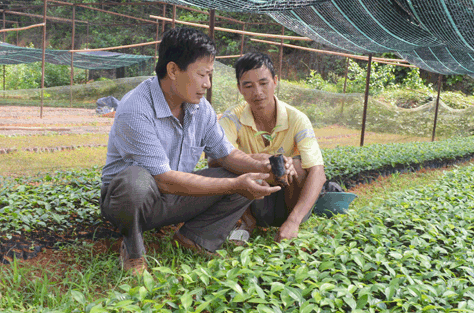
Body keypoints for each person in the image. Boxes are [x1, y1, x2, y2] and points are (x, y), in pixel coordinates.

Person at [100, 28, 280, 275]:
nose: (207, 84)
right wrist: (236, 184)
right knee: (136, 182)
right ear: (173, 70)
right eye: (202, 74)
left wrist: (261, 166)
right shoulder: (136, 108)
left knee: (245, 174)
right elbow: (163, 180)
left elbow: (226, 154)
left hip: (175, 197)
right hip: (134, 202)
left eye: (210, 75)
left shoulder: (200, 108)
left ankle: (196, 238)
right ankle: (133, 250)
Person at [212, 52, 326, 242]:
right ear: (240, 89)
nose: (257, 92)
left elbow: (318, 172)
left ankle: (288, 223)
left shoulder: (297, 119)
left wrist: (294, 221)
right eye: (248, 86)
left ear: (275, 81)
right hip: (252, 198)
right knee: (219, 163)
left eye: (263, 83)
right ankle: (247, 221)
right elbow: (216, 160)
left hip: (289, 198)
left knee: (297, 167)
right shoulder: (232, 118)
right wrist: (259, 162)